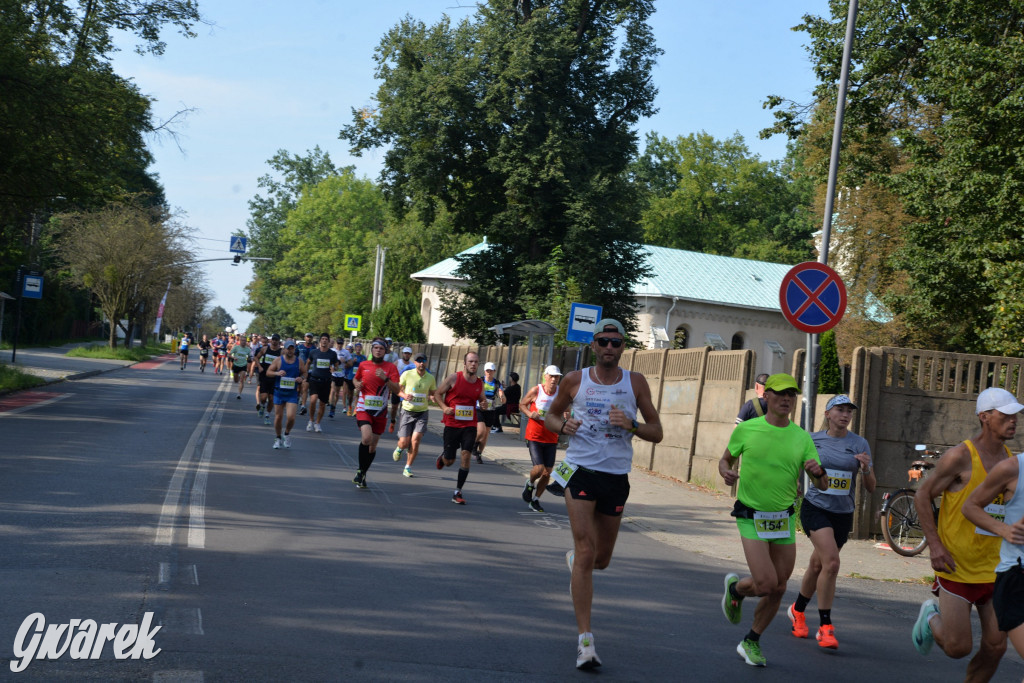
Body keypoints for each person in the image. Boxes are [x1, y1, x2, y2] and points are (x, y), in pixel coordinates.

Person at [542, 319, 663, 670]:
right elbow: (550, 416)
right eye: (603, 342)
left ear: (623, 347)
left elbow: (657, 431)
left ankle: (578, 565)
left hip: (615, 477)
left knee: (602, 559)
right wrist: (562, 425)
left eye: (615, 342)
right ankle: (585, 642)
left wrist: (633, 425)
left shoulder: (635, 383)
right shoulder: (574, 380)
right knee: (585, 549)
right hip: (580, 472)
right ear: (593, 345)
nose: (609, 348)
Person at [910, 387, 1021, 681]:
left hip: (996, 568)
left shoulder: (1012, 463)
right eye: (1006, 414)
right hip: (956, 565)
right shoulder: (960, 457)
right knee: (958, 648)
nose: (1014, 420)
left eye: (1016, 415)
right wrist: (934, 545)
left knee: (996, 646)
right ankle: (930, 615)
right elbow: (923, 496)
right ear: (984, 417)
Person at [718, 372, 827, 668]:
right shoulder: (748, 430)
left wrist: (818, 473)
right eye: (780, 393)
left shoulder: (802, 437)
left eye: (791, 394)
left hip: (783, 519)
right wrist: (725, 470)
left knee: (779, 587)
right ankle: (736, 589)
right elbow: (725, 459)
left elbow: (823, 485)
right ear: (766, 396)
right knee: (766, 584)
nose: (786, 399)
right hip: (750, 515)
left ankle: (751, 640)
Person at [787, 395, 875, 649]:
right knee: (832, 563)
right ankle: (825, 626)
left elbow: (871, 487)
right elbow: (794, 467)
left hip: (842, 513)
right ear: (828, 413)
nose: (845, 415)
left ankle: (797, 610)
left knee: (818, 565)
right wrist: (795, 485)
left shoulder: (859, 443)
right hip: (816, 508)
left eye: (849, 411)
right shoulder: (812, 440)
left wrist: (866, 469)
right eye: (840, 410)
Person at [963, 445, 1024, 668]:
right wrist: (1003, 529)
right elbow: (970, 506)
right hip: (1016, 577)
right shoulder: (1012, 468)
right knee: (957, 646)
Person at [435, 352, 489, 505]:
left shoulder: (479, 383)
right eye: (471, 361)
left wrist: (484, 404)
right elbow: (438, 394)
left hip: (469, 425)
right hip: (452, 424)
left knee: (466, 455)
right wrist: (444, 407)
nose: (473, 364)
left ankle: (457, 491)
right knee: (450, 461)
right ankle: (444, 456)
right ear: (464, 364)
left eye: (476, 362)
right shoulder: (454, 378)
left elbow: (482, 399)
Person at [351, 338, 401, 489]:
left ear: (385, 351)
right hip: (363, 408)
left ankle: (363, 473)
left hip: (380, 411)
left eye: (381, 348)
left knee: (372, 447)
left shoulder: (391, 368)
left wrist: (385, 379)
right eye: (376, 348)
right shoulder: (363, 365)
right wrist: (356, 384)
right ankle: (360, 471)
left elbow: (397, 390)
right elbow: (355, 378)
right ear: (372, 350)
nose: (378, 350)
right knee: (366, 438)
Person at [520, 365, 563, 512]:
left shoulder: (560, 393)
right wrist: (529, 414)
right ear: (545, 376)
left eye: (556, 377)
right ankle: (530, 483)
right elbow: (522, 404)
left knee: (547, 472)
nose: (553, 379)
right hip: (535, 436)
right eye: (551, 376)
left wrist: (566, 416)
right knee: (538, 469)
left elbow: (567, 409)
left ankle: (535, 500)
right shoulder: (536, 390)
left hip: (551, 437)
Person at [392, 352, 436, 478]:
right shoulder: (407, 374)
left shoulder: (430, 378)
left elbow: (433, 392)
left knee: (415, 441)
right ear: (415, 362)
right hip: (407, 411)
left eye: (423, 360)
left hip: (422, 413)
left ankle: (408, 467)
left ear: (426, 362)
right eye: (419, 360)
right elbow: (397, 389)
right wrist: (404, 395)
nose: (421, 363)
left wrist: (432, 397)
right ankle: (400, 448)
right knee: (404, 442)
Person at [266, 339, 305, 449]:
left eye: (292, 348)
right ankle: (278, 438)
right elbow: (268, 372)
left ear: (294, 349)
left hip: (292, 393)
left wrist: (300, 378)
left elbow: (305, 373)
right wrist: (277, 373)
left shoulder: (299, 361)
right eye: (288, 348)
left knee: (291, 417)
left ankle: (286, 434)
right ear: (285, 349)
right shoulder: (278, 360)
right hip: (279, 392)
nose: (290, 350)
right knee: (278, 417)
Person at [472, 361, 504, 462]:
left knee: (485, 434)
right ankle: (474, 445)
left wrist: (502, 396)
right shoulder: (479, 380)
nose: (489, 373)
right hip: (479, 409)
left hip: (491, 411)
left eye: (491, 371)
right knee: (481, 431)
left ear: (494, 371)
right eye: (487, 371)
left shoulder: (497, 383)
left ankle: (479, 454)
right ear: (485, 371)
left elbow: (501, 393)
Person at [304, 333, 336, 434]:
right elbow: (308, 363)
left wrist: (334, 369)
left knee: (322, 404)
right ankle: (311, 420)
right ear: (320, 341)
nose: (324, 341)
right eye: (322, 339)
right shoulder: (314, 352)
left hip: (326, 381)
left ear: (328, 341)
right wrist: (305, 375)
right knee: (313, 400)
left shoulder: (332, 354)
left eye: (326, 339)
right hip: (314, 379)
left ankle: (317, 423)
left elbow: (336, 365)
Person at [254, 334, 282, 425]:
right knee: (263, 397)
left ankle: (267, 415)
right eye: (273, 339)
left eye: (276, 340)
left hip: (275, 377)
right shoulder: (265, 349)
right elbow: (256, 358)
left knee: (272, 398)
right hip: (265, 375)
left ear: (279, 341)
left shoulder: (281, 352)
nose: (274, 341)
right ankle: (262, 406)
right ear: (271, 340)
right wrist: (259, 366)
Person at [389, 346, 416, 433]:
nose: (406, 355)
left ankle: (402, 428)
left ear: (410, 355)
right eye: (405, 353)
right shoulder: (397, 362)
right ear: (402, 354)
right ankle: (393, 421)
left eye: (408, 354)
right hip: (397, 387)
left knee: (403, 409)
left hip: (406, 389)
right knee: (394, 407)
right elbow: (390, 372)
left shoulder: (412, 365)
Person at [329, 338, 350, 418]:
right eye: (338, 343)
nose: (339, 345)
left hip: (341, 374)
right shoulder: (332, 351)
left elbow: (350, 363)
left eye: (341, 343)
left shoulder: (346, 352)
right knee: (333, 390)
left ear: (343, 344)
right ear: (336, 343)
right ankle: (331, 407)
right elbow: (328, 360)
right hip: (333, 373)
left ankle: (334, 406)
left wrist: (345, 361)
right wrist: (331, 367)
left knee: (337, 393)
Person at [296, 333, 316, 415]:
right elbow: (294, 357)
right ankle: (297, 400)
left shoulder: (314, 348)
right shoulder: (299, 347)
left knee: (305, 388)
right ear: (304, 337)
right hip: (299, 370)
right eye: (307, 337)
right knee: (298, 389)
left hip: (309, 371)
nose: (308, 338)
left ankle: (303, 406)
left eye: (310, 337)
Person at [346, 342, 367, 416]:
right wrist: (352, 361)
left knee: (358, 393)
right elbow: (347, 366)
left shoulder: (363, 357)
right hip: (351, 377)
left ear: (361, 348)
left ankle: (356, 409)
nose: (358, 348)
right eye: (357, 347)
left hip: (360, 378)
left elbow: (365, 368)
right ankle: (349, 408)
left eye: (359, 347)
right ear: (355, 348)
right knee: (350, 395)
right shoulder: (351, 356)